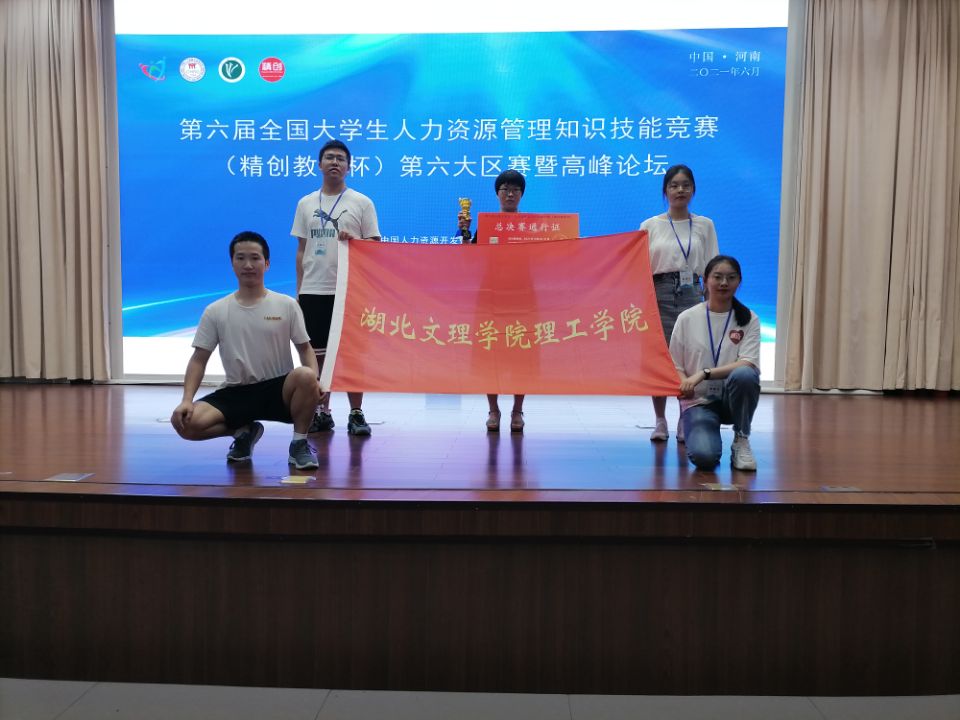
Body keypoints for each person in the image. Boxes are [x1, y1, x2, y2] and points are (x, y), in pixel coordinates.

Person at [170, 231, 321, 470]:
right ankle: (243, 432)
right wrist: (186, 400)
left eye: (255, 258)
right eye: (240, 258)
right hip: (236, 392)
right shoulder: (216, 311)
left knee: (306, 375)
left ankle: (299, 444)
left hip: (277, 390)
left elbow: (305, 348)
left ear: (267, 264)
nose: (248, 265)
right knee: (184, 423)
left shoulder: (287, 305)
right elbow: (199, 360)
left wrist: (316, 380)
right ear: (232, 263)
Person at [291, 139, 381, 436]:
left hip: (350, 290)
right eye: (329, 157)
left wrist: (355, 241)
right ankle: (322, 411)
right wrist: (300, 290)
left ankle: (356, 412)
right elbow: (301, 250)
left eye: (341, 159)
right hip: (313, 290)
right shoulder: (305, 203)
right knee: (316, 355)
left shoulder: (362, 202)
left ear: (349, 167)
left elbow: (375, 246)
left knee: (353, 353)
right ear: (319, 164)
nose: (335, 162)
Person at [640, 164, 719, 443]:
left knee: (689, 358)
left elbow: (712, 266)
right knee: (659, 357)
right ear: (665, 191)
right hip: (658, 292)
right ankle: (660, 420)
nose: (680, 190)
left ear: (693, 190)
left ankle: (685, 416)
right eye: (674, 185)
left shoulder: (705, 224)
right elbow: (639, 267)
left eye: (686, 185)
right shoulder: (650, 225)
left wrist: (711, 302)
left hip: (692, 293)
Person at [669, 255, 760, 471]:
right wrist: (684, 384)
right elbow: (675, 364)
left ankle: (741, 439)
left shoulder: (749, 319)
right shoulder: (687, 318)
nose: (724, 283)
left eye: (731, 278)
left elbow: (748, 363)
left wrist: (704, 373)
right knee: (705, 458)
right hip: (699, 401)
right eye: (717, 277)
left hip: (731, 400)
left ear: (739, 281)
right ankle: (693, 424)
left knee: (746, 375)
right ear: (705, 280)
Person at [459, 169, 527, 433]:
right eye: (505, 189)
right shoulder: (487, 224)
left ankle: (517, 410)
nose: (510, 194)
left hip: (522, 297)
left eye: (515, 190)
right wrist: (466, 234)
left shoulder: (532, 226)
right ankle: (493, 410)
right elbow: (470, 258)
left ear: (521, 195)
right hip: (491, 296)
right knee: (491, 354)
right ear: (498, 194)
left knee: (522, 355)